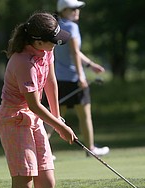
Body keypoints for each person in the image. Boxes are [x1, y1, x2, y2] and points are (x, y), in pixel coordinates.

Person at [0, 12, 77, 188]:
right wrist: (61, 127)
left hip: (34, 119)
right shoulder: (23, 62)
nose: (57, 43)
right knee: (24, 185)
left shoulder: (45, 52)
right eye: (54, 40)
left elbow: (51, 81)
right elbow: (33, 105)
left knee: (47, 182)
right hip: (13, 120)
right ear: (37, 41)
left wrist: (58, 115)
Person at [47, 0, 109, 156]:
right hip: (74, 79)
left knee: (54, 117)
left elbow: (74, 52)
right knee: (84, 115)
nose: (77, 11)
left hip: (59, 79)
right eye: (73, 9)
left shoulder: (57, 27)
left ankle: (44, 151)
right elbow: (74, 52)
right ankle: (91, 149)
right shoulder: (72, 27)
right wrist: (82, 76)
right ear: (64, 10)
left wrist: (90, 65)